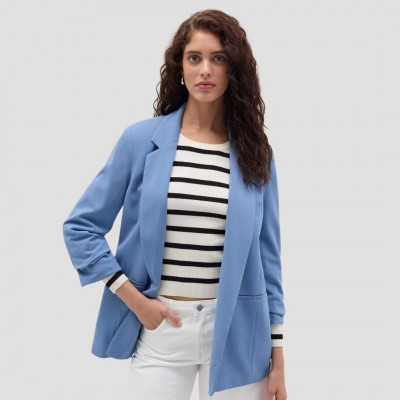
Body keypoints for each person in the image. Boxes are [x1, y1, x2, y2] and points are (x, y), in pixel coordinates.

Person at [62, 9, 287, 400]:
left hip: (238, 332)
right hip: (162, 329)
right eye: (194, 58)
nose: (205, 70)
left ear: (234, 69)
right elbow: (80, 228)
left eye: (218, 58)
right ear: (180, 67)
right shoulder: (140, 141)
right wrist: (135, 300)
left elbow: (269, 259)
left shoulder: (256, 155)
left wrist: (278, 360)